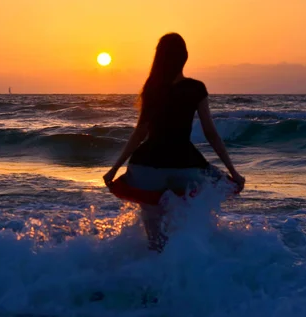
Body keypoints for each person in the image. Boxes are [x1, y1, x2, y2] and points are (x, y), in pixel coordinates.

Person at [103, 33, 245, 251]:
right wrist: (233, 172)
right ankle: (185, 263)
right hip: (184, 165)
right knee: (191, 212)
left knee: (154, 233)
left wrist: (115, 169)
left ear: (159, 58)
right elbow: (211, 134)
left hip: (146, 167)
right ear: (185, 57)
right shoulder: (196, 88)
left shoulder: (152, 88)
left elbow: (140, 132)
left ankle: (155, 271)